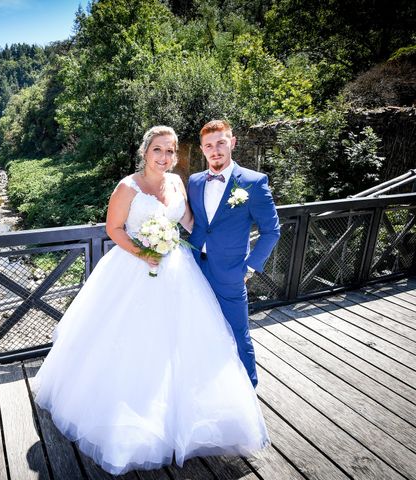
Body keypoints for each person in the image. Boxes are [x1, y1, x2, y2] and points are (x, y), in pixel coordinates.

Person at [32, 126, 269, 476]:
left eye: (171, 151)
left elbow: (189, 221)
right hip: (133, 269)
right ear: (145, 152)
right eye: (158, 150)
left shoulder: (177, 183)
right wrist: (142, 251)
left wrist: (222, 238)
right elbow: (114, 229)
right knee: (129, 343)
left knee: (184, 342)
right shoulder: (127, 187)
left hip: (178, 270)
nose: (165, 157)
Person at [187, 119, 280, 388]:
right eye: (208, 146)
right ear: (203, 149)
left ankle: (248, 389)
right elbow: (195, 222)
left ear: (232, 142)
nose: (215, 150)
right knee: (198, 327)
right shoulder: (193, 182)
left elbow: (271, 231)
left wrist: (249, 268)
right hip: (194, 269)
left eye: (220, 143)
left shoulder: (253, 181)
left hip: (231, 273)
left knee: (238, 332)